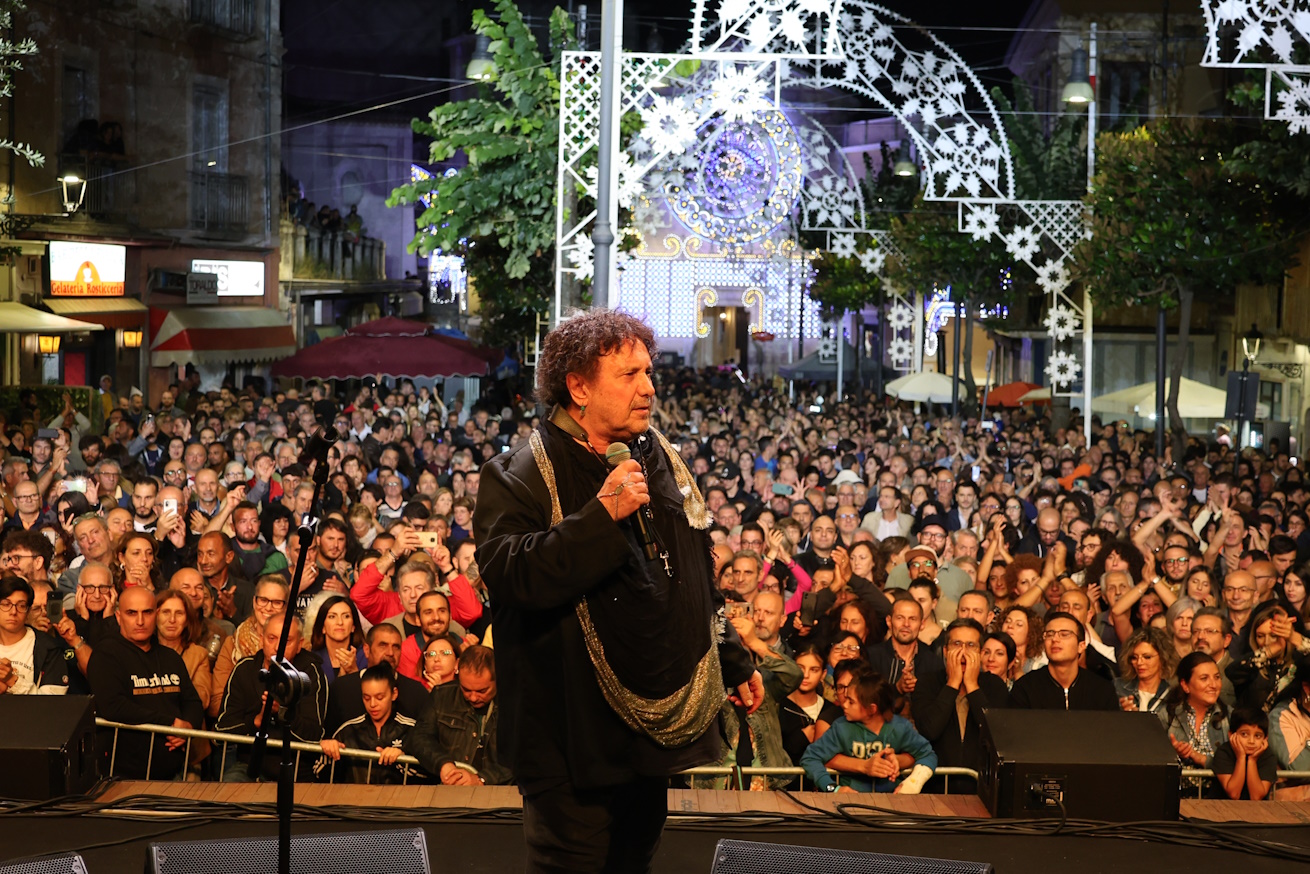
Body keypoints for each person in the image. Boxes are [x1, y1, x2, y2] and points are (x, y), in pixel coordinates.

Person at [475, 310, 759, 873]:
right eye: (628, 375)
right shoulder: (520, 473)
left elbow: (690, 575)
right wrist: (602, 516)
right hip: (569, 745)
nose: (649, 387)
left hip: (645, 742)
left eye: (648, 372)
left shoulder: (656, 459)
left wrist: (732, 660)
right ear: (577, 387)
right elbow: (510, 574)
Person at [86, 586, 203, 779]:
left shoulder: (170, 657)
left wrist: (188, 727)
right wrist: (170, 723)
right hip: (122, 775)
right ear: (118, 617)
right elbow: (113, 707)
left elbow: (192, 702)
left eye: (147, 612)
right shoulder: (105, 655)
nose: (140, 621)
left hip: (174, 771)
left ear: (156, 615)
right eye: (132, 613)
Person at [214, 612, 327, 781]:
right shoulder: (244, 669)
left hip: (296, 771)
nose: (277, 647)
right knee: (229, 787)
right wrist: (256, 722)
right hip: (249, 767)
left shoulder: (310, 672)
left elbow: (315, 734)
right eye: (271, 638)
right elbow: (222, 728)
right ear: (261, 639)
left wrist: (282, 713)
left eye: (286, 641)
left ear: (299, 644)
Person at [800, 666, 936, 794]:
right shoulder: (841, 727)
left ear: (872, 709)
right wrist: (833, 788)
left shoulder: (900, 727)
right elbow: (810, 758)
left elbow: (928, 754)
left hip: (892, 803)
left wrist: (911, 785)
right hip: (850, 804)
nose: (845, 704)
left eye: (851, 701)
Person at [911, 618, 1009, 794]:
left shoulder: (994, 685)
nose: (963, 652)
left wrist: (972, 685)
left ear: (980, 653)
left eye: (971, 645)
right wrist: (952, 683)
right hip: (936, 789)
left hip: (982, 789)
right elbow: (929, 729)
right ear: (946, 651)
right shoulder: (928, 682)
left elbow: (997, 735)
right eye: (957, 644)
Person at [407, 645, 509, 785]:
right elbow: (420, 738)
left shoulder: (515, 704)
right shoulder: (441, 696)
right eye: (466, 689)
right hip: (447, 791)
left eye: (482, 691)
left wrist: (482, 779)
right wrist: (443, 764)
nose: (473, 697)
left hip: (500, 794)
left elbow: (524, 754)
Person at [317, 663, 419, 785]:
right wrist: (329, 753)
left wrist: (403, 758)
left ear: (394, 694)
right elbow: (318, 774)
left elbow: (430, 774)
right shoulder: (348, 730)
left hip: (398, 802)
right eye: (366, 698)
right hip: (355, 801)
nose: (372, 704)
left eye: (379, 697)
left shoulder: (411, 730)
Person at [325, 623, 429, 734]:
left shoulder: (417, 692)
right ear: (366, 650)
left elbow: (425, 740)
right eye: (383, 645)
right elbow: (328, 736)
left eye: (396, 647)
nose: (390, 653)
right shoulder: (341, 688)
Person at [1009, 611, 1118, 711]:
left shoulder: (1101, 690)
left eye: (1065, 634)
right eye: (1050, 634)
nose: (1055, 639)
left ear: (1081, 646)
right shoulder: (1025, 688)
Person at [0, 575, 67, 695]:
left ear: (28, 611)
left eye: (21, 606)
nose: (13, 612)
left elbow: (53, 704)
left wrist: (12, 680)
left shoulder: (48, 647)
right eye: (6, 604)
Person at [1212, 706, 1278, 801]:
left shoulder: (1268, 756)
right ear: (1231, 735)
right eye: (1244, 734)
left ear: (1265, 738)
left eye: (1257, 736)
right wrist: (1241, 757)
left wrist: (1252, 760)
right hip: (1221, 811)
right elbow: (1234, 794)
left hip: (1256, 813)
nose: (1251, 741)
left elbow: (1256, 797)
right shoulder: (1224, 752)